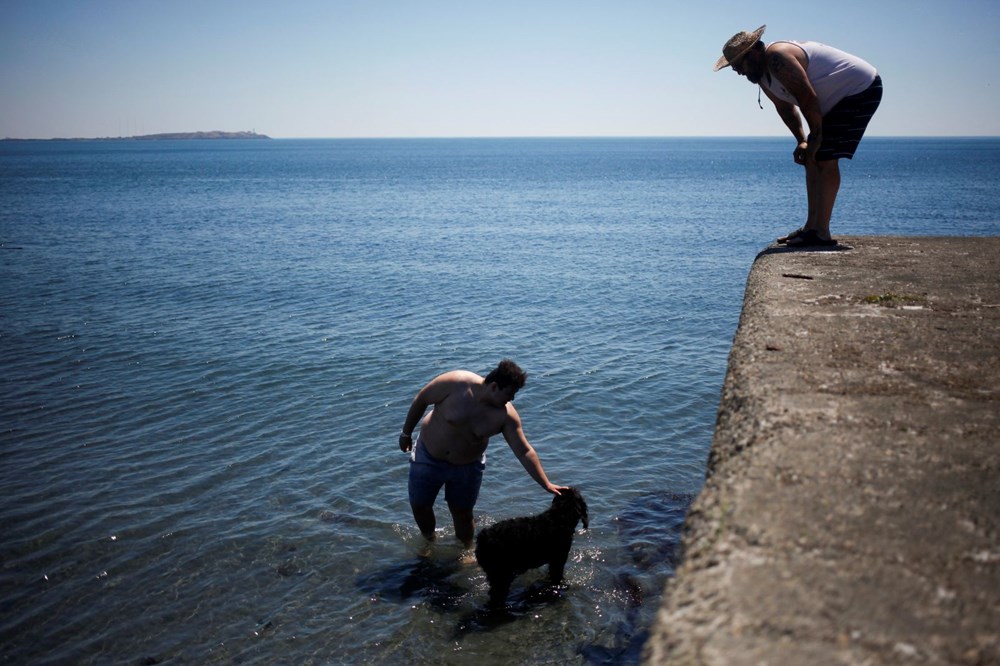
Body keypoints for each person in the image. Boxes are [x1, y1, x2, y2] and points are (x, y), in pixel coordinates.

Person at [714, 25, 883, 247]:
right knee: (810, 157)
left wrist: (816, 138)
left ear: (754, 52)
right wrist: (802, 141)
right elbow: (785, 108)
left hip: (859, 89)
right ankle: (811, 228)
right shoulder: (762, 76)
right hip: (833, 101)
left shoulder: (777, 58)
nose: (737, 71)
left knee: (824, 156)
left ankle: (821, 233)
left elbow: (807, 98)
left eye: (738, 64)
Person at [398, 359, 565, 551]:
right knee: (420, 505)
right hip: (429, 456)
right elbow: (421, 399)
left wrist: (546, 483)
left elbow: (524, 450)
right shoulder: (455, 383)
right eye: (509, 394)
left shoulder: (505, 416)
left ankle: (465, 550)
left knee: (462, 513)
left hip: (467, 466)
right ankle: (428, 542)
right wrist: (406, 433)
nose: (511, 399)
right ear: (494, 386)